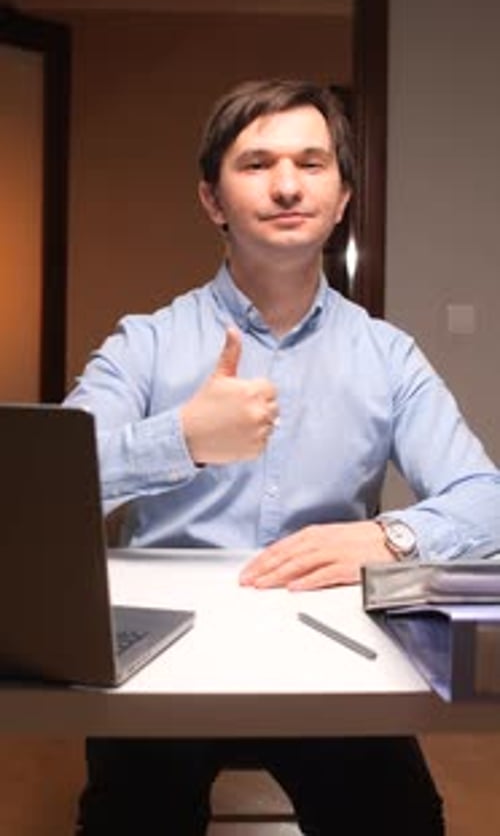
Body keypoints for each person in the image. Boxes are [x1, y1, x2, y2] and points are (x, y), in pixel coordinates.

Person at [65, 78, 500, 835]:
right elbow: (43, 495)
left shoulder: (388, 355)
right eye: (258, 163)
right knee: (132, 818)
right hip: (163, 653)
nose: (289, 185)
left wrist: (390, 537)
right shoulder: (145, 342)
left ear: (342, 198)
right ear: (212, 200)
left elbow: (486, 499)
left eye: (312, 162)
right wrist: (181, 442)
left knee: (400, 821)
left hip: (334, 643)